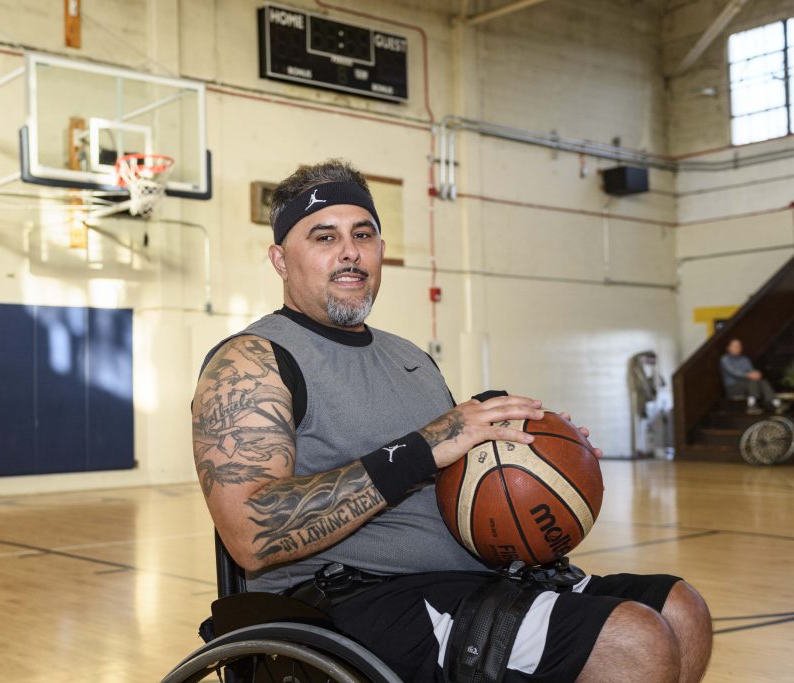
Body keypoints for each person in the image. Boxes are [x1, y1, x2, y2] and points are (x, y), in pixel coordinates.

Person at [191, 159, 712, 682]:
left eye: (363, 234)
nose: (349, 251)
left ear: (380, 250)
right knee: (632, 638)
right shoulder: (252, 360)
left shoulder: (408, 356)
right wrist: (421, 448)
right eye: (324, 236)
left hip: (474, 577)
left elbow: (452, 466)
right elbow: (250, 535)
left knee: (680, 610)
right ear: (281, 260)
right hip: (355, 602)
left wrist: (535, 450)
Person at [720, 338, 781, 415]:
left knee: (762, 381)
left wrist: (756, 374)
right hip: (733, 387)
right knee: (752, 382)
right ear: (728, 348)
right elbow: (734, 372)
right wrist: (749, 375)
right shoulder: (725, 359)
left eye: (739, 345)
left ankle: (776, 403)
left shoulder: (744, 359)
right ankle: (752, 405)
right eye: (735, 346)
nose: (738, 347)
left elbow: (751, 370)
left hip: (749, 384)